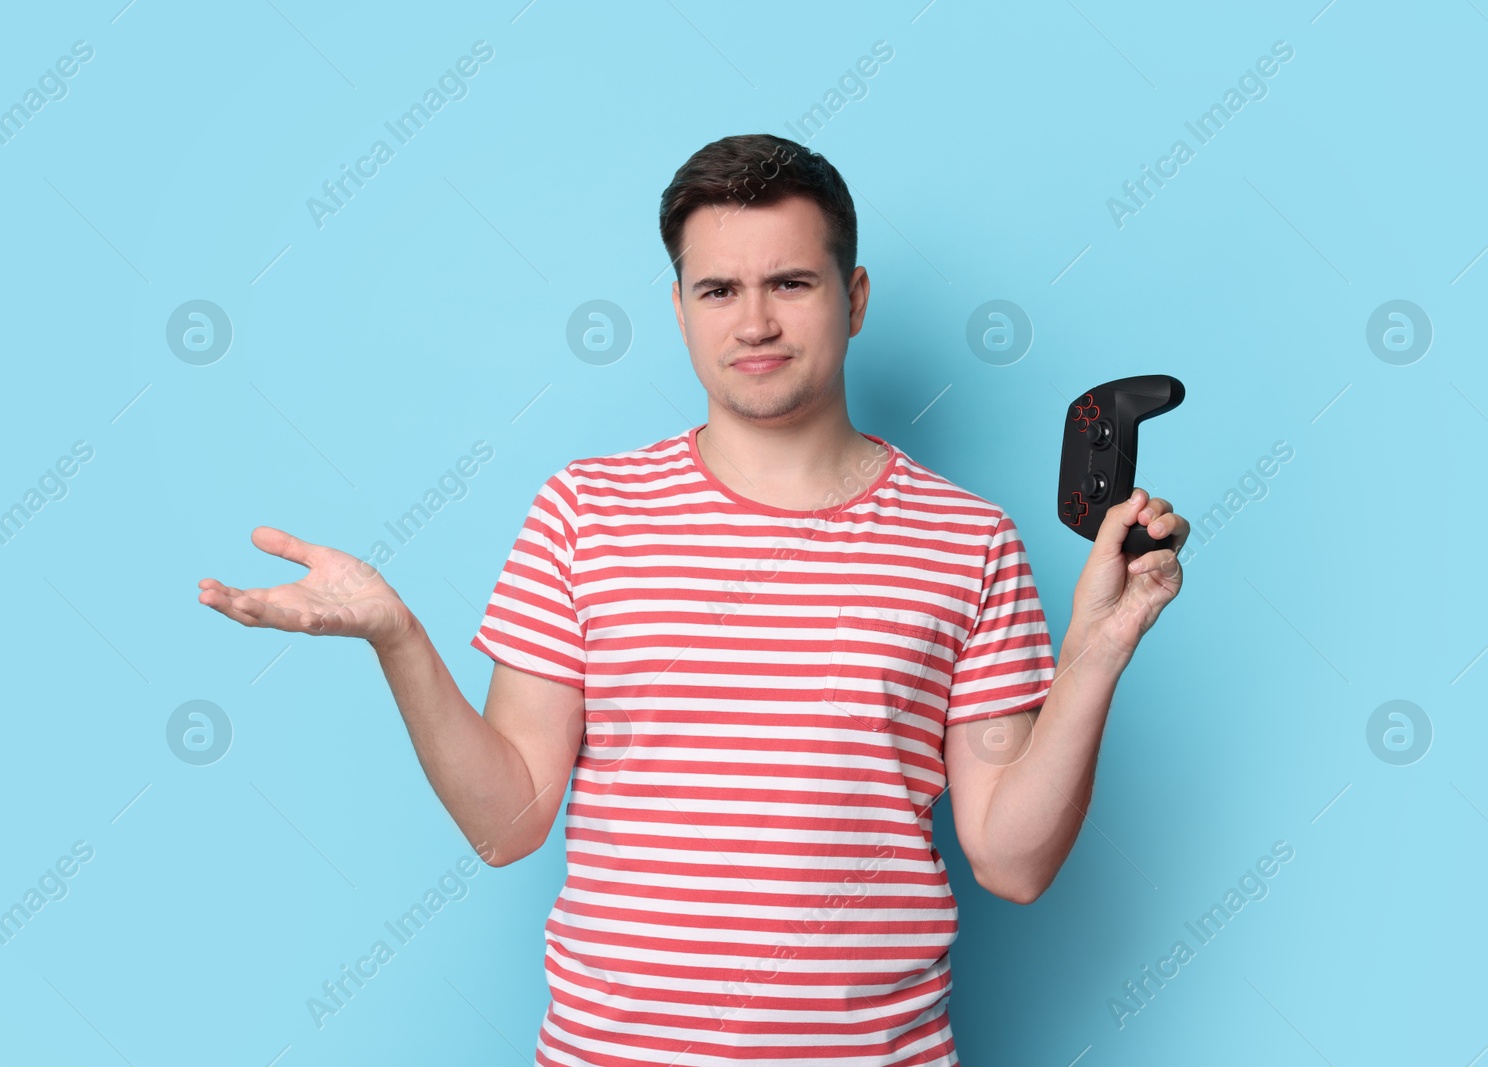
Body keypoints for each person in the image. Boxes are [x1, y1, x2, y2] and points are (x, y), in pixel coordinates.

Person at [198, 132, 1189, 1066]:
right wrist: (398, 637)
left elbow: (1011, 859)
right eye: (718, 289)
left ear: (854, 296)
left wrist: (1096, 651)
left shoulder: (966, 541)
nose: (753, 321)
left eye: (789, 283)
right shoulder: (584, 512)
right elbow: (508, 823)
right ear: (679, 308)